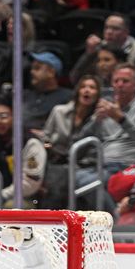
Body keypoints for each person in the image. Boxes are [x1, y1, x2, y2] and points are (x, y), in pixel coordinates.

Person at [75, 63, 135, 209]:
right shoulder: (105, 108)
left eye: (125, 81)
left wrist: (120, 118)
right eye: (116, 81)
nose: (120, 85)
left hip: (130, 165)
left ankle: (114, 222)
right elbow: (82, 141)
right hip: (103, 165)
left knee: (88, 182)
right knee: (70, 177)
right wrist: (95, 121)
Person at [39, 74, 102, 207]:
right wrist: (48, 145)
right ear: (78, 90)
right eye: (83, 87)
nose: (87, 90)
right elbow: (45, 135)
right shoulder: (59, 111)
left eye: (92, 87)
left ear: (97, 94)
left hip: (83, 164)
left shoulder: (99, 118)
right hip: (57, 160)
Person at [69, 14, 135, 85]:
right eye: (106, 27)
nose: (109, 32)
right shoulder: (97, 48)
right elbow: (75, 79)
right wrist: (89, 54)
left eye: (115, 29)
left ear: (127, 31)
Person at [23, 51, 72, 132]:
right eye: (32, 68)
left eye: (37, 68)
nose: (32, 72)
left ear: (51, 72)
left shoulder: (67, 97)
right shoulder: (25, 95)